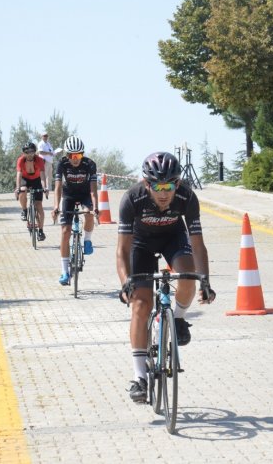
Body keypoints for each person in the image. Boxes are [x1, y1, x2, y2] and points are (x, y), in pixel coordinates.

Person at [116, 151, 216, 403]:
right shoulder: (132, 198)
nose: (164, 193)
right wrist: (125, 282)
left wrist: (205, 280)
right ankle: (139, 377)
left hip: (174, 238)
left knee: (188, 276)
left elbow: (198, 245)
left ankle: (179, 319)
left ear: (178, 184)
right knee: (140, 304)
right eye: (157, 186)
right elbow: (122, 250)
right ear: (146, 184)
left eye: (169, 186)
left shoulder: (187, 197)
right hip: (141, 244)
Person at [51, 136, 99, 285]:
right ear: (67, 155)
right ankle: (65, 272)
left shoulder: (90, 164)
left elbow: (93, 190)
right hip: (69, 195)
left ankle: (87, 240)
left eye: (78, 155)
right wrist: (56, 206)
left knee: (88, 212)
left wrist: (96, 207)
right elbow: (58, 187)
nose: (75, 159)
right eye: (72, 156)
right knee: (65, 231)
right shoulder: (62, 164)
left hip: (85, 194)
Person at [15, 142, 49, 241]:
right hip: (25, 179)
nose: (30, 154)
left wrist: (45, 188)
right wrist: (17, 188)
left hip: (36, 180)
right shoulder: (21, 160)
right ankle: (24, 210)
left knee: (39, 206)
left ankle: (41, 231)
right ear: (23, 153)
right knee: (23, 190)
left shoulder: (39, 160)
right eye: (27, 152)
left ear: (35, 152)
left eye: (32, 152)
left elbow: (43, 175)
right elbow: (18, 175)